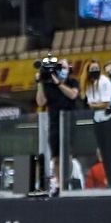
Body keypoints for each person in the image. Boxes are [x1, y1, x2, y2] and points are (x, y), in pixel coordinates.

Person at [35, 57, 79, 193]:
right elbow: (40, 102)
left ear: (69, 69)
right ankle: (59, 183)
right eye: (59, 67)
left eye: (64, 67)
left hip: (68, 121)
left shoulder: (72, 82)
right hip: (53, 122)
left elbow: (73, 95)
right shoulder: (48, 84)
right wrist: (40, 83)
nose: (61, 70)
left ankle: (67, 181)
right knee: (56, 156)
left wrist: (59, 83)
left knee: (67, 154)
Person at [83, 59, 111, 187]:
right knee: (103, 153)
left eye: (96, 68)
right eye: (91, 69)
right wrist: (97, 105)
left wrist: (96, 105)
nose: (94, 71)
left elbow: (106, 103)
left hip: (108, 120)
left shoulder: (104, 81)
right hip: (97, 120)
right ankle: (110, 181)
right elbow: (89, 104)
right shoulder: (88, 84)